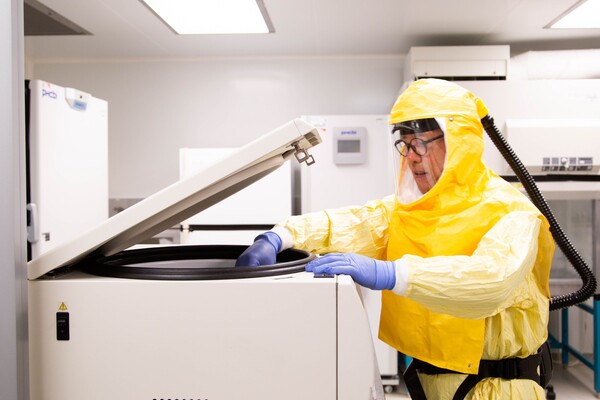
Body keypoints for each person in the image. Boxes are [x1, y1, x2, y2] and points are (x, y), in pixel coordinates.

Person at [236, 78, 554, 399]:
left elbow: (490, 282)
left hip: (499, 389)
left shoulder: (511, 211)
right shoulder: (412, 208)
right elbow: (353, 222)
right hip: (434, 383)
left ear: (460, 142)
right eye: (405, 144)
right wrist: (280, 236)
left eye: (421, 143)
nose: (412, 156)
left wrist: (393, 274)